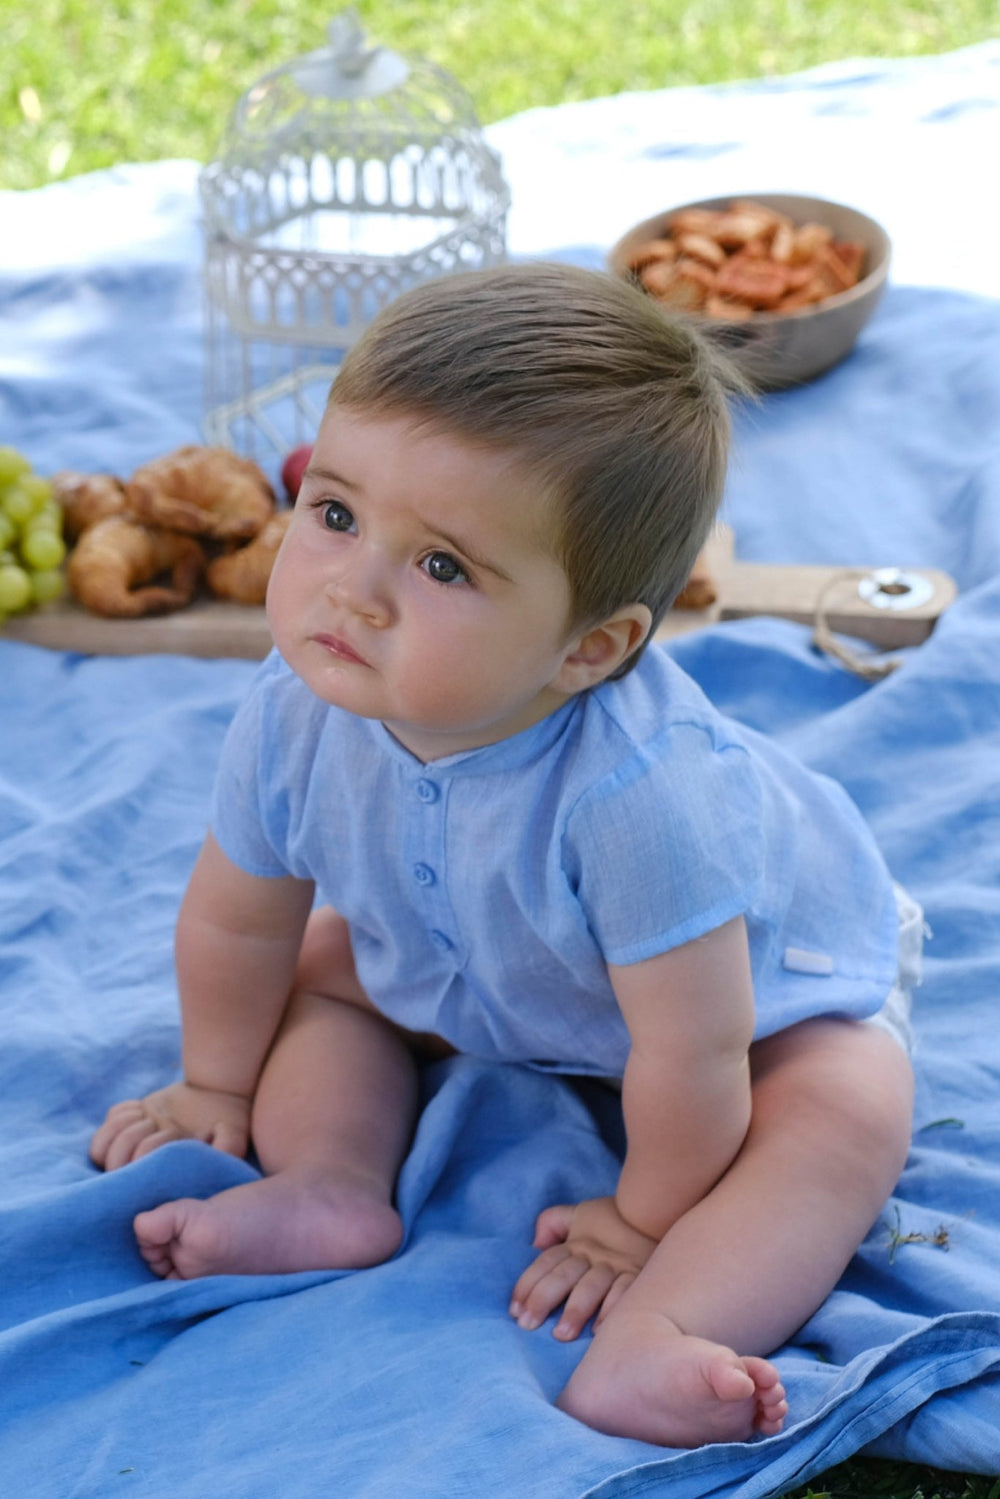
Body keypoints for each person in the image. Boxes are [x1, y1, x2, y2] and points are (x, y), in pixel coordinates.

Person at [90, 262, 918, 1449]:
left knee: (844, 1108)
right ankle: (330, 1181)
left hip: (754, 996)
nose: (352, 590)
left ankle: (667, 1327)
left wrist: (641, 1216)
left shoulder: (638, 798)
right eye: (333, 513)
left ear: (589, 647)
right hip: (485, 952)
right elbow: (237, 916)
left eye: (440, 566)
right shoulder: (295, 708)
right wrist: (217, 1081)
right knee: (322, 972)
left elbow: (696, 1052)